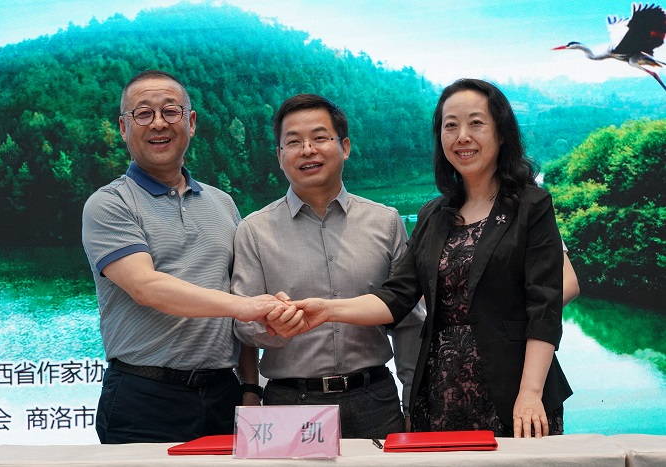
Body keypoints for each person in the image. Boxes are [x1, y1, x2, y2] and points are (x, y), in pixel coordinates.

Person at [268, 79, 573, 438]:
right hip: (442, 390)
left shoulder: (531, 205)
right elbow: (396, 298)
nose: (462, 136)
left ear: (502, 132)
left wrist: (531, 392)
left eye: (476, 123)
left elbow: (544, 306)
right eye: (450, 125)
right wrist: (327, 310)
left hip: (516, 391)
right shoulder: (433, 215)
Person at [81, 70, 288, 444]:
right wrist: (246, 306)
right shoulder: (109, 203)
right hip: (143, 396)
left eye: (170, 111)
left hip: (225, 393)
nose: (158, 123)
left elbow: (238, 295)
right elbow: (146, 286)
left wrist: (250, 387)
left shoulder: (222, 203)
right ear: (123, 127)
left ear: (190, 122)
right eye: (143, 113)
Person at [231, 94, 425, 438]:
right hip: (290, 402)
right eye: (293, 142)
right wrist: (272, 326)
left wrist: (412, 404)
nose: (307, 150)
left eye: (320, 137)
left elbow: (409, 322)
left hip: (375, 399)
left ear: (345, 147)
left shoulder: (386, 222)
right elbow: (243, 325)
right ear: (279, 156)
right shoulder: (254, 230)